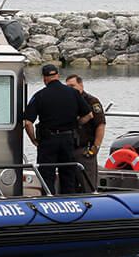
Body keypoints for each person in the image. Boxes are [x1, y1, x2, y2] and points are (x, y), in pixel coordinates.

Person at [24, 64, 93, 195]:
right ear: (58, 76)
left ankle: (48, 205)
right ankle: (69, 205)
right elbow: (89, 115)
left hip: (48, 141)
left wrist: (34, 140)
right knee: (68, 176)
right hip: (68, 139)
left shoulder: (39, 96)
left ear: (44, 78)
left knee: (47, 177)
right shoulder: (73, 93)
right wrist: (75, 124)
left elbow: (28, 123)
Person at [66, 75, 106, 192]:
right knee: (70, 187)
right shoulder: (67, 102)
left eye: (72, 86)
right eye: (67, 87)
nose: (70, 89)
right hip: (69, 149)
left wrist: (96, 146)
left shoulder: (91, 101)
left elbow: (100, 124)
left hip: (85, 150)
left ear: (81, 85)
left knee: (89, 187)